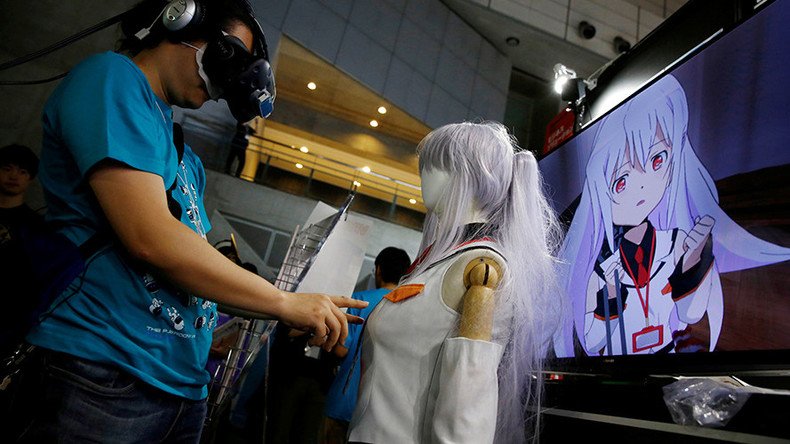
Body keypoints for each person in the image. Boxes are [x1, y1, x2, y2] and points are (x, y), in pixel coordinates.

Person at [15, 1, 365, 442]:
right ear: (182, 18)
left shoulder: (185, 155)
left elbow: (192, 266)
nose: (222, 85)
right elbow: (150, 238)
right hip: (105, 370)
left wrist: (285, 304)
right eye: (228, 55)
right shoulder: (112, 78)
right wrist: (281, 303)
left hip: (181, 386)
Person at [348, 122, 563, 443]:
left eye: (432, 165)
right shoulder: (439, 264)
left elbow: (466, 411)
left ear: (459, 173)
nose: (423, 174)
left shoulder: (479, 268)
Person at [555, 74, 790, 358]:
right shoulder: (604, 269)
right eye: (621, 180)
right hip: (614, 372)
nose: (642, 186)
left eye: (657, 160)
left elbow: (690, 313)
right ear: (601, 188)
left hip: (668, 363)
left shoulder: (677, 243)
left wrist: (693, 263)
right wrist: (612, 298)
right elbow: (592, 343)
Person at [322, 247, 411, 444]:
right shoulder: (409, 308)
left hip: (344, 402)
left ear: (378, 270)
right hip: (380, 412)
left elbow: (341, 349)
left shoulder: (360, 300)